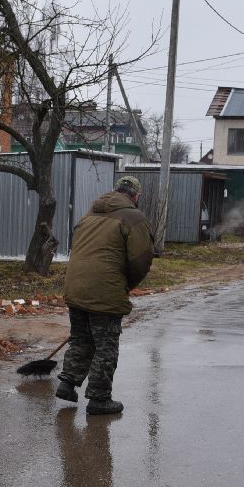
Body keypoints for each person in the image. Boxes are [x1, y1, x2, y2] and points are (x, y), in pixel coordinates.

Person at [56, 174, 154, 414]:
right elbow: (141, 260)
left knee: (81, 338)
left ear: (115, 191)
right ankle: (99, 399)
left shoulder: (90, 214)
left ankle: (67, 383)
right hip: (105, 290)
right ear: (136, 196)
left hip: (75, 286)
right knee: (105, 345)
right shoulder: (134, 218)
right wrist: (126, 285)